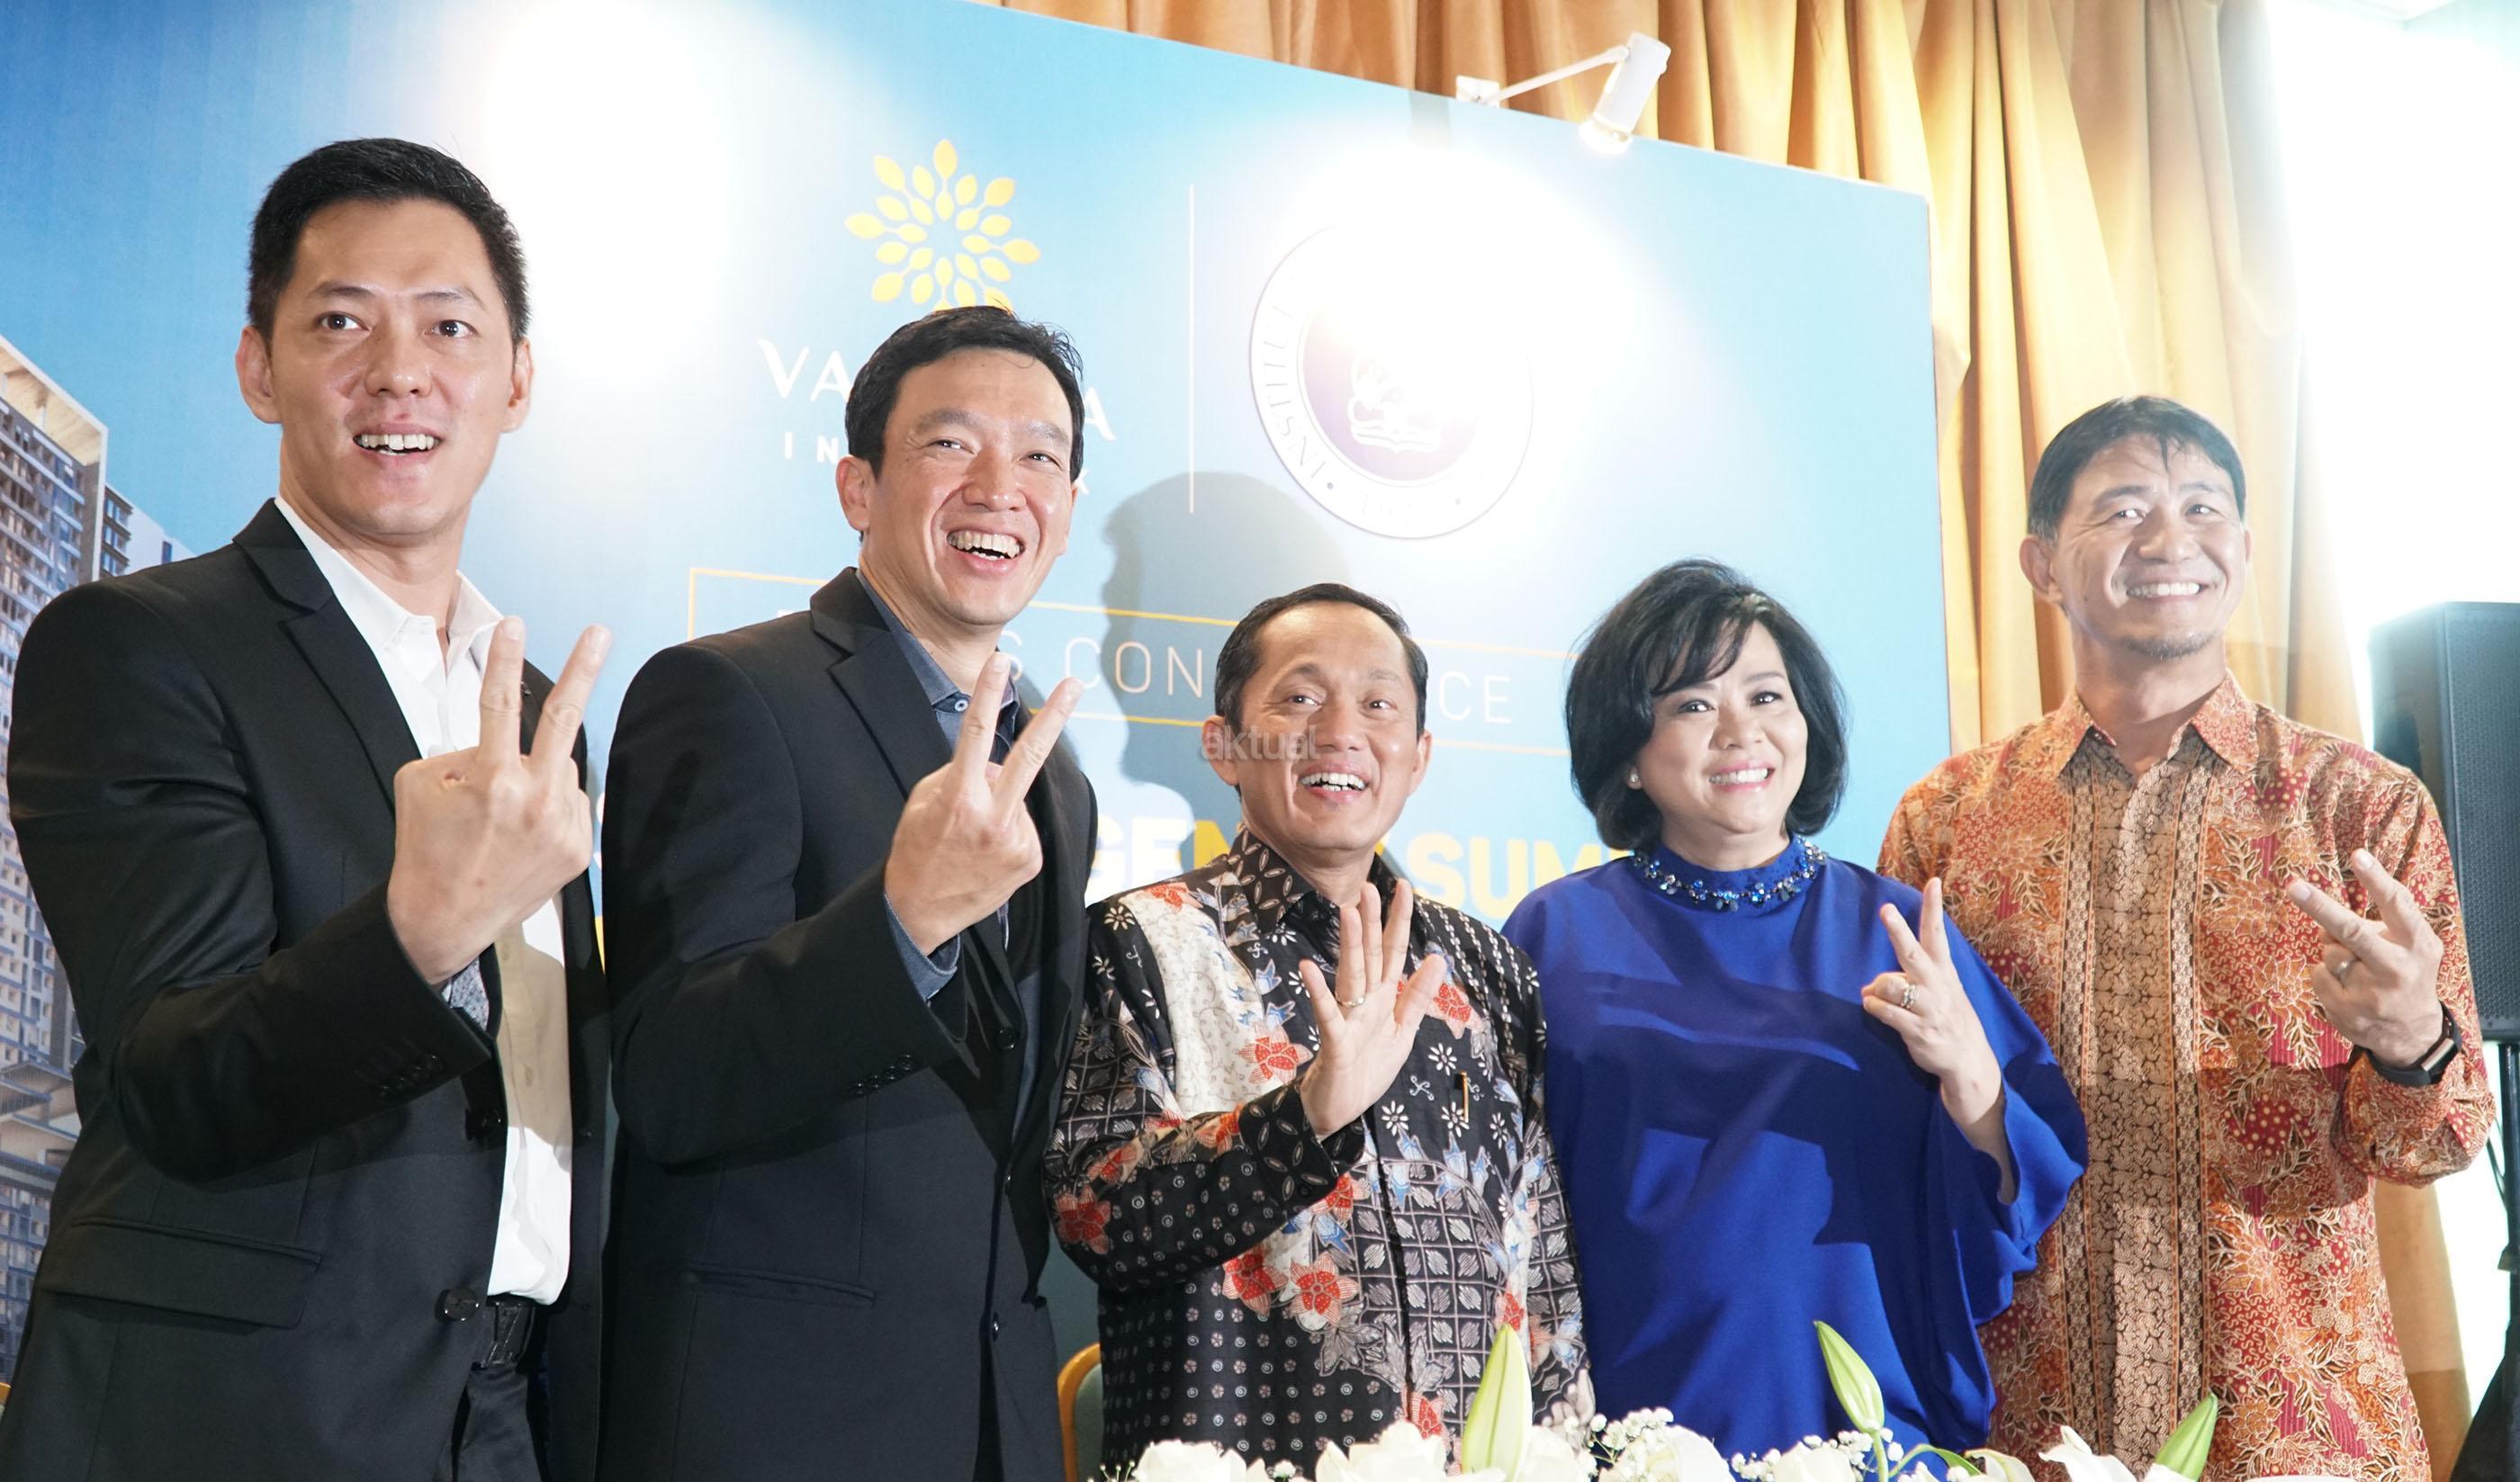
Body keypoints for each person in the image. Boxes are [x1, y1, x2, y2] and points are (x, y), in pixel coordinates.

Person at [0, 139, 612, 1482]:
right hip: (240, 1411)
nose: (399, 371)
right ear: (257, 367)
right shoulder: (137, 645)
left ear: (516, 380)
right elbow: (178, 1076)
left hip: (505, 1410)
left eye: (449, 326)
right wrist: (419, 936)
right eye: (341, 322)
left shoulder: (528, 708)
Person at [1881, 396, 2493, 1478]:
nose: (2170, 540)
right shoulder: (1949, 821)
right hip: (2032, 1432)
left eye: (2203, 508)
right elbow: (1906, 1144)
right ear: (2041, 564)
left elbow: (2434, 1143)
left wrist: (2413, 1044)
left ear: (2244, 552)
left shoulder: (2359, 807)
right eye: (2124, 510)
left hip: (2293, 1438)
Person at [599, 306, 1094, 1482]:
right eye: (951, 444)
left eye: (1040, 456)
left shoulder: (1053, 774)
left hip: (991, 1420)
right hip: (776, 1416)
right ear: (856, 487)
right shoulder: (728, 692)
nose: (1000, 487)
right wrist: (902, 924)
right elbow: (672, 1075)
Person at [1500, 560, 2083, 1461]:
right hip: (1630, 1429)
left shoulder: (1894, 926)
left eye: (1767, 696)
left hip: (1869, 1423)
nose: (1741, 731)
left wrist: (1971, 1074)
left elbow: (2022, 1188)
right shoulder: (1555, 934)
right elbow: (1500, 1207)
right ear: (1630, 753)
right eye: (1692, 704)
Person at [1048, 583, 1590, 1472]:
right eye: (1299, 697)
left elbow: (1545, 1265)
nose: (1340, 731)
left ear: (1418, 756)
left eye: (1378, 704)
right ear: (1223, 744)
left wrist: (1560, 1451)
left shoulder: (1488, 967)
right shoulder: (1136, 942)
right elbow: (1094, 1214)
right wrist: (1304, 1118)